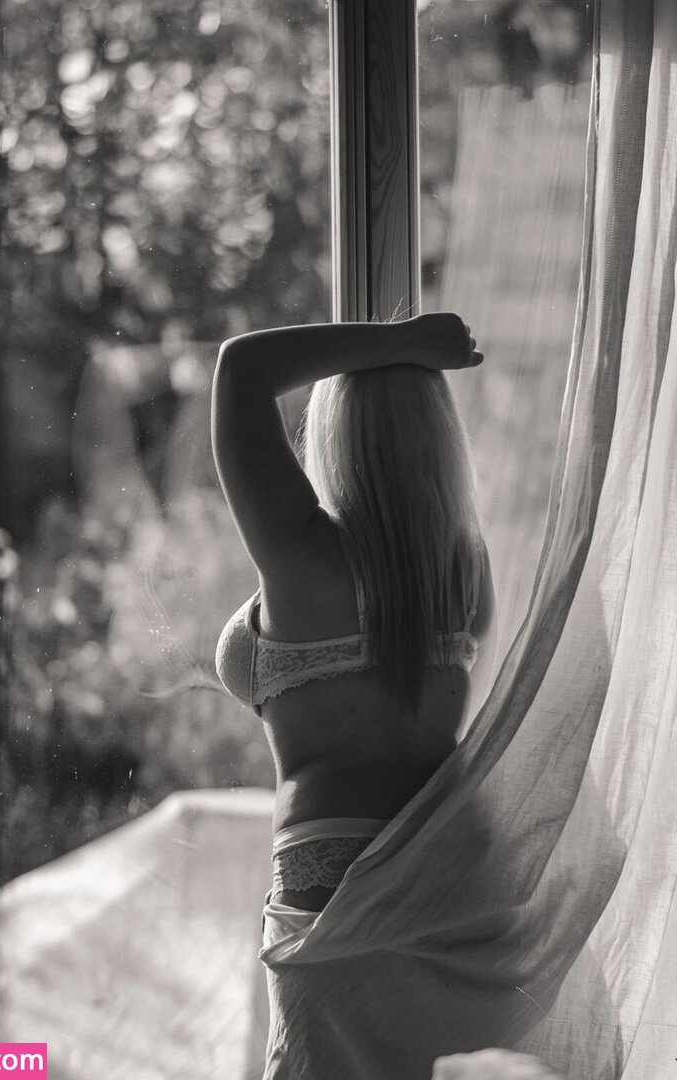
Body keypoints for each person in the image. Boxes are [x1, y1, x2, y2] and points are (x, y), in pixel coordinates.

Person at [211, 312, 496, 920]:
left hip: (330, 862)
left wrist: (401, 341)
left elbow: (241, 368)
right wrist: (408, 352)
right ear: (440, 432)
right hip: (459, 855)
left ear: (335, 431)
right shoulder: (466, 571)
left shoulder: (302, 553)